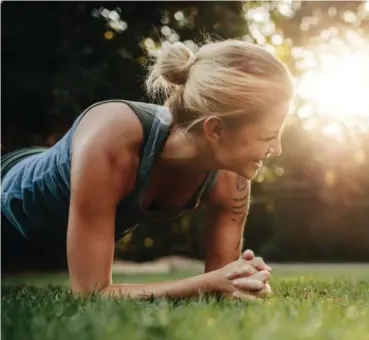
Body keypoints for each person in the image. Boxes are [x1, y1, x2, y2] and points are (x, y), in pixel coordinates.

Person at [1, 39, 295, 300]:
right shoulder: (111, 139)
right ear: (215, 129)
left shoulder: (233, 181)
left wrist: (245, 283)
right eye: (269, 136)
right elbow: (91, 293)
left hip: (46, 242)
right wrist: (208, 283)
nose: (277, 149)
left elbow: (224, 285)